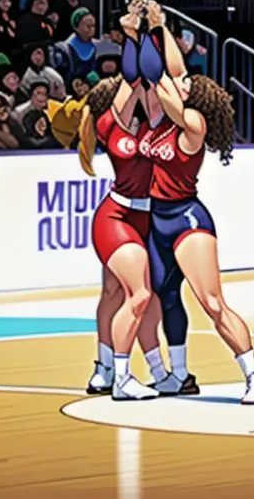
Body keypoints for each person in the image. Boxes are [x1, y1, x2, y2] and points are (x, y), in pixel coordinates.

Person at [135, 2, 254, 403]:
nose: (184, 82)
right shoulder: (167, 122)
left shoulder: (193, 124)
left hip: (187, 219)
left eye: (190, 84)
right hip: (157, 219)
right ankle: (179, 374)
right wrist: (158, 25)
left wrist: (149, 40)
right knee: (167, 297)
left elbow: (163, 79)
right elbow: (174, 73)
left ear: (200, 101)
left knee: (212, 303)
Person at [78, 21, 195, 400]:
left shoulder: (158, 124)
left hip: (149, 217)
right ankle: (113, 371)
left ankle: (153, 370)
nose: (143, 93)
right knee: (134, 294)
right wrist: (133, 35)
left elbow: (156, 76)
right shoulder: (113, 124)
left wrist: (150, 32)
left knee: (132, 294)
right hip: (117, 215)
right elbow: (134, 77)